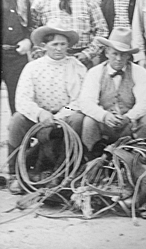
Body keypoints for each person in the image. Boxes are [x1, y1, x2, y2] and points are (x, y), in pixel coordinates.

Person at [7, 19, 87, 193]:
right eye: (54, 44)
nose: (59, 48)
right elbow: (22, 100)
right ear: (45, 45)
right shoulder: (32, 68)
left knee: (78, 118)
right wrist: (41, 114)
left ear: (68, 46)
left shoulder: (76, 67)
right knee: (16, 120)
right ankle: (16, 174)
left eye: (63, 44)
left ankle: (62, 173)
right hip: (38, 117)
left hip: (65, 117)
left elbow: (79, 100)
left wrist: (59, 117)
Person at [79, 27, 146, 160]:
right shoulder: (95, 72)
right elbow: (85, 102)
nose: (119, 58)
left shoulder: (139, 72)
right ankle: (92, 161)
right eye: (115, 53)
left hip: (130, 124)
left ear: (129, 55)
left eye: (123, 54)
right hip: (104, 124)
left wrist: (129, 117)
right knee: (88, 121)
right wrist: (104, 116)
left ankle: (133, 160)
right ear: (107, 52)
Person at [2, 0, 33, 114]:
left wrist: (29, 40)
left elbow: (31, 26)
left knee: (18, 99)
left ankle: (17, 138)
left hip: (16, 57)